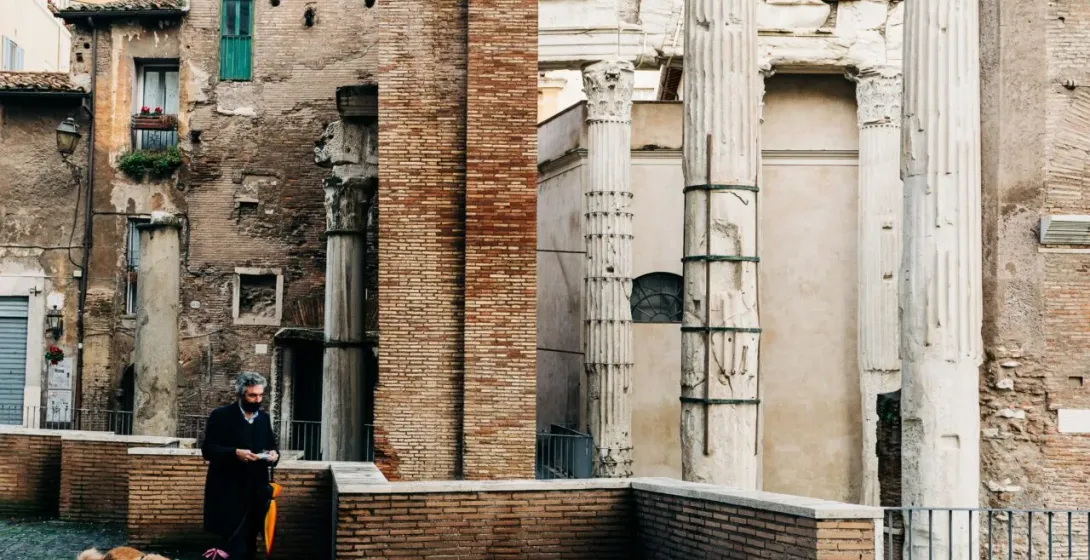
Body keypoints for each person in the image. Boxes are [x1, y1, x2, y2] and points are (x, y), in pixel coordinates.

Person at [201, 372, 280, 559]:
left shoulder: (263, 418)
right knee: (232, 547)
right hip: (228, 492)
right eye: (252, 395)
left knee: (251, 543)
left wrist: (273, 455)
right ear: (240, 394)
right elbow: (208, 449)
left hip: (256, 492)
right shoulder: (220, 416)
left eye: (260, 395)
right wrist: (235, 453)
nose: (257, 400)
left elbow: (271, 446)